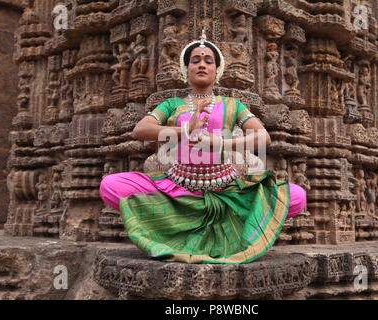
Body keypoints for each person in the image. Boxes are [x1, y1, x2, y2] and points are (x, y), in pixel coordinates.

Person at [99, 31, 307, 264]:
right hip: (178, 190)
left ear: (217, 71)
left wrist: (222, 144)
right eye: (195, 60)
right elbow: (141, 130)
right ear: (185, 70)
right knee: (110, 185)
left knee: (297, 196)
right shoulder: (172, 104)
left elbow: (263, 137)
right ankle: (187, 227)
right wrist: (186, 130)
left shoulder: (232, 104)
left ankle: (200, 229)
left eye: (208, 61)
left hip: (226, 191)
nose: (201, 65)